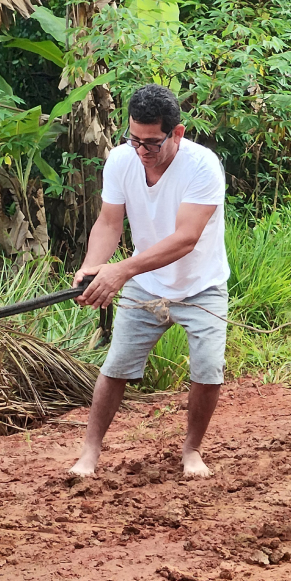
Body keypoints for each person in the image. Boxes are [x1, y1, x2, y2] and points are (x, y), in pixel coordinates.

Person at [69, 84, 228, 480]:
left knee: (207, 370)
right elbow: (109, 222)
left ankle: (191, 450)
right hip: (147, 284)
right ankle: (90, 451)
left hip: (201, 285)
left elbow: (185, 238)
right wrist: (93, 270)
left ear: (178, 133)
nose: (141, 151)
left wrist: (121, 272)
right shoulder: (121, 161)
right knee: (116, 366)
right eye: (134, 139)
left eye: (152, 143)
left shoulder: (203, 167)